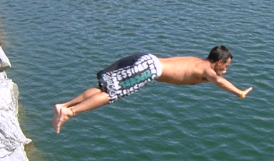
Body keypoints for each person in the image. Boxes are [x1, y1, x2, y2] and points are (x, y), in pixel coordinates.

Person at [52, 45, 253, 133]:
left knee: (104, 88)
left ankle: (64, 105)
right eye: (225, 66)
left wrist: (219, 75)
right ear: (217, 62)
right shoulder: (206, 69)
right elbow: (218, 81)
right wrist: (239, 92)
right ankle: (70, 112)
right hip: (148, 69)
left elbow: (212, 77)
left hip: (146, 59)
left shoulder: (197, 62)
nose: (226, 70)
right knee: (111, 95)